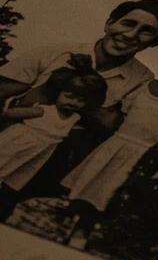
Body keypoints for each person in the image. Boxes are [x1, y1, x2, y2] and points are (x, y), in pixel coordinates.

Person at [0, 0, 158, 198]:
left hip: (58, 161)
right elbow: (4, 91)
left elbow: (119, 126)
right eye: (128, 23)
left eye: (146, 31)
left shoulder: (142, 80)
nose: (130, 35)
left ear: (153, 43)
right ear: (109, 23)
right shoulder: (58, 52)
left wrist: (78, 95)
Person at [61, 34, 158, 250]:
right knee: (91, 184)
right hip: (115, 144)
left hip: (141, 156)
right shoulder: (144, 86)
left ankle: (82, 233)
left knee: (107, 197)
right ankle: (68, 218)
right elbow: (118, 117)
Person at [0, 56, 107, 222]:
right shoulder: (43, 111)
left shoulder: (74, 119)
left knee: (19, 176)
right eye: (69, 96)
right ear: (59, 92)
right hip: (18, 142)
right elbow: (9, 113)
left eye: (81, 100)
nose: (74, 102)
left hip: (40, 152)